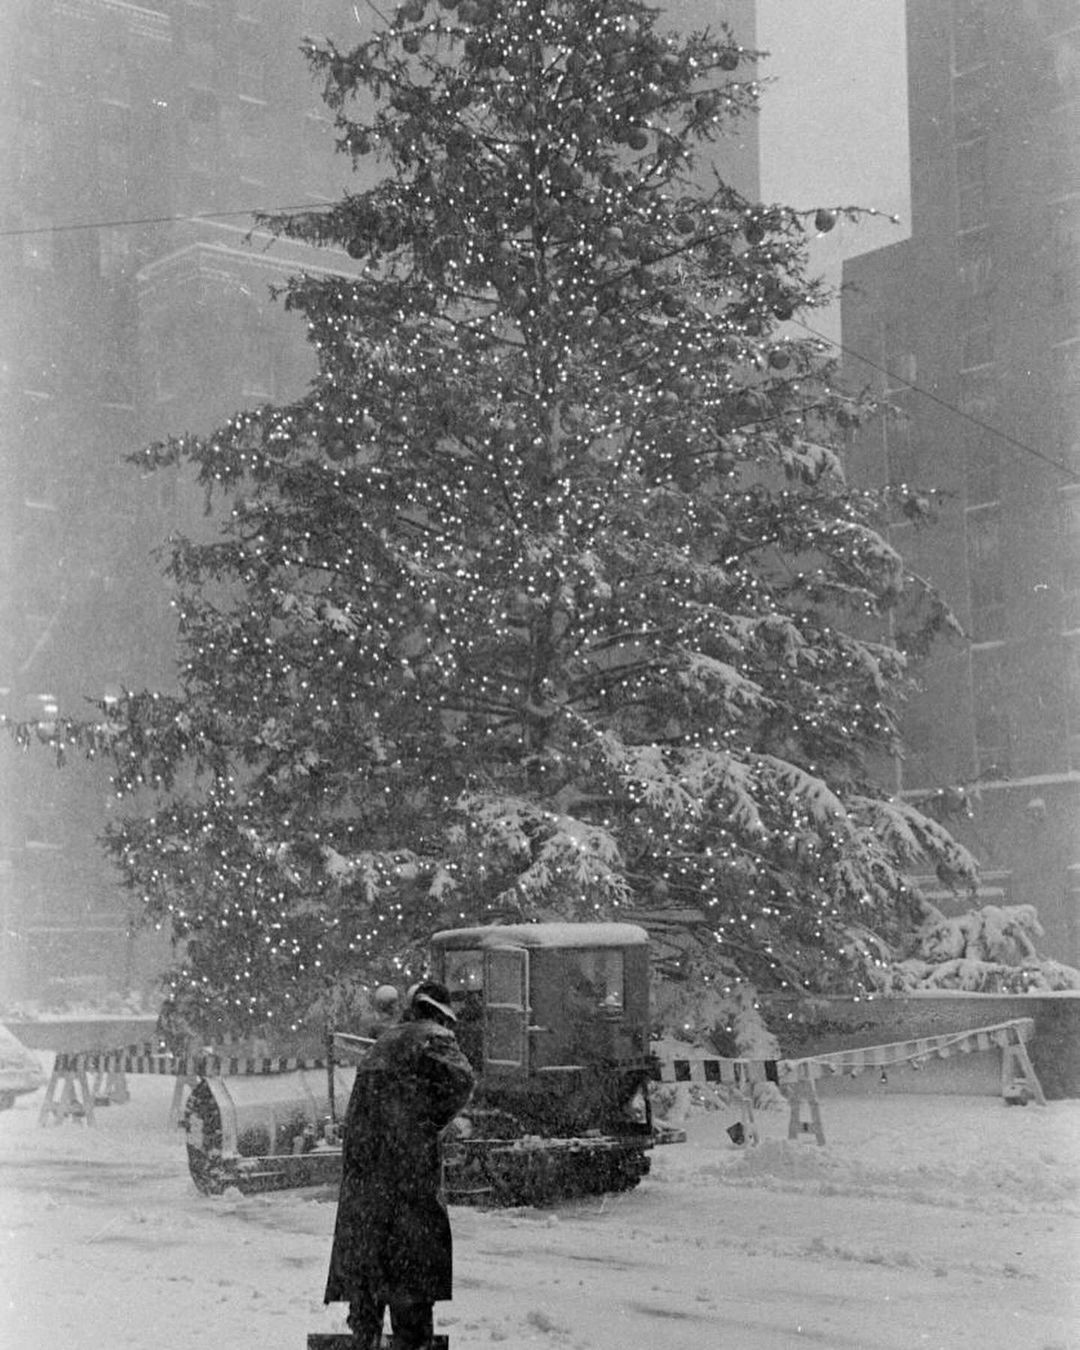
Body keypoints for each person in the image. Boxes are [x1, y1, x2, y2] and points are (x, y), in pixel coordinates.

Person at [325, 980, 476, 1350]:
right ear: (440, 1014)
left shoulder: (386, 1042)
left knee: (368, 1254)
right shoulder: (433, 1036)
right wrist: (430, 1122)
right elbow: (463, 1080)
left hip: (365, 1168)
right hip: (405, 1166)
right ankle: (412, 1338)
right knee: (413, 1256)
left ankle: (365, 1331)